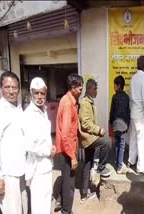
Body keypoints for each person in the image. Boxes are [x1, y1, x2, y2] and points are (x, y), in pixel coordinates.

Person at [0, 71, 27, 214]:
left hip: (21, 170)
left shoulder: (19, 107)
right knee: (12, 210)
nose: (11, 91)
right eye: (7, 87)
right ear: (1, 88)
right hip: (7, 173)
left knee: (22, 207)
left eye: (14, 87)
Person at [24, 77, 56, 214]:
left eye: (42, 93)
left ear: (46, 92)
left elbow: (44, 137)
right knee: (38, 205)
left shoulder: (43, 111)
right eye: (36, 93)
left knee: (46, 201)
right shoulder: (28, 115)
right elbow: (29, 144)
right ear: (31, 93)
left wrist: (52, 147)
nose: (39, 96)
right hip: (36, 168)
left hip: (47, 165)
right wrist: (47, 152)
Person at [79, 79, 111, 203]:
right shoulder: (85, 103)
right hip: (88, 138)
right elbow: (85, 123)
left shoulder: (89, 102)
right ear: (90, 89)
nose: (97, 91)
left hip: (89, 138)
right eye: (95, 88)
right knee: (106, 142)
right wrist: (98, 130)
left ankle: (83, 194)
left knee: (87, 164)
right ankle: (100, 167)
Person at [55, 74, 84, 214]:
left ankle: (61, 203)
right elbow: (66, 135)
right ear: (72, 88)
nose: (81, 90)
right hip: (67, 151)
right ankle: (67, 211)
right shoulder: (67, 103)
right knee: (69, 185)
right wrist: (72, 156)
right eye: (80, 88)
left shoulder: (70, 101)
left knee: (66, 181)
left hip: (66, 149)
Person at [129, 55, 144, 175]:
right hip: (140, 114)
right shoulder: (143, 79)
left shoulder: (133, 78)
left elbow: (130, 96)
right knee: (142, 141)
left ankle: (131, 160)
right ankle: (141, 167)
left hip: (133, 113)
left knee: (133, 138)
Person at [109, 75, 130, 174]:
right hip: (123, 125)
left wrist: (110, 123)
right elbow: (127, 112)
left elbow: (112, 112)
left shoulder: (114, 97)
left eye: (115, 85)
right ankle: (119, 167)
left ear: (119, 85)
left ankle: (118, 162)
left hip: (115, 124)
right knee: (121, 145)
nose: (114, 87)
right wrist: (127, 124)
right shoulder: (126, 97)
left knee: (117, 144)